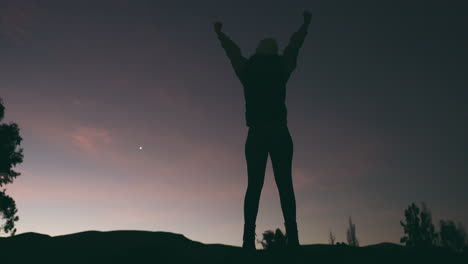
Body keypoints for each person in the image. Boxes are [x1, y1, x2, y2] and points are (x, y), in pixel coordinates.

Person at [214, 10, 312, 250]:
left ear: (259, 50)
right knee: (285, 185)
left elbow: (233, 53)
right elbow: (294, 46)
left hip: (258, 133)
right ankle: (294, 240)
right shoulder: (280, 67)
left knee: (255, 186)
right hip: (278, 132)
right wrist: (305, 25)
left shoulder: (249, 70)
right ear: (274, 51)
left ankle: (248, 241)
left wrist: (221, 35)